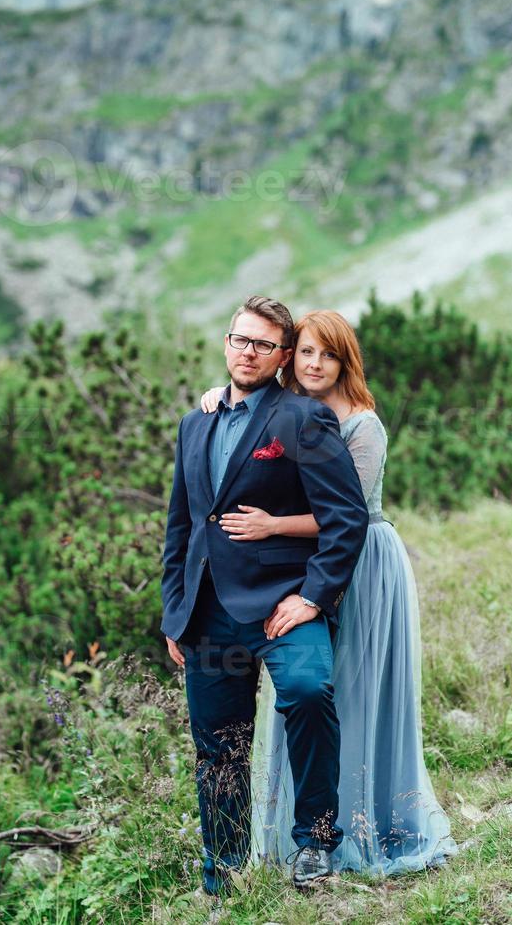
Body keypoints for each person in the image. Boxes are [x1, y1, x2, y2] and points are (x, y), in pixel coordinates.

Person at [201, 309, 457, 877]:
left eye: (329, 354)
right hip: (301, 570)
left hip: (361, 564)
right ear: (288, 355)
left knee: (350, 693)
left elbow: (347, 515)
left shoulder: (361, 424)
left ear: (346, 362)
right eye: (306, 352)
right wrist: (220, 392)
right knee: (311, 694)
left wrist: (271, 526)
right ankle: (298, 832)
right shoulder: (285, 411)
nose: (315, 364)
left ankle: (366, 825)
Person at [161, 296, 369, 895]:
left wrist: (313, 596)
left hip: (285, 602)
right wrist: (175, 612)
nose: (247, 352)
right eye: (239, 339)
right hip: (206, 612)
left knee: (308, 691)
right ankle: (222, 873)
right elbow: (182, 526)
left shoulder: (303, 419)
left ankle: (315, 842)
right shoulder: (193, 423)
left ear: (281, 356)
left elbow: (345, 517)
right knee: (218, 746)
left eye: (262, 344)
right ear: (227, 343)